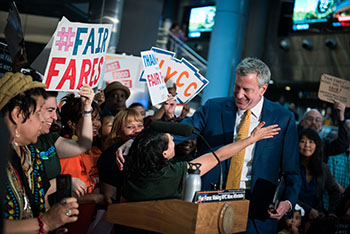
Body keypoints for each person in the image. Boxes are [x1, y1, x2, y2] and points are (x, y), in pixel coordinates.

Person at [173, 57, 302, 233]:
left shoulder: (282, 118)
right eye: (236, 87)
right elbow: (181, 132)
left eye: (247, 90)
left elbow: (292, 171)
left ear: (263, 89)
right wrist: (140, 142)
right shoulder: (213, 107)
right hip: (210, 204)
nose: (239, 95)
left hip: (257, 212)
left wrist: (287, 201)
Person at [0, 72, 79, 233]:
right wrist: (45, 223)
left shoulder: (31, 155)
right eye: (37, 113)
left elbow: (39, 204)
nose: (43, 120)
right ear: (17, 114)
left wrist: (48, 228)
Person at [122, 121, 279, 202]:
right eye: (170, 140)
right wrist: (251, 139)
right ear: (164, 153)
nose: (173, 138)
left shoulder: (129, 173)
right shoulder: (172, 174)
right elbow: (217, 156)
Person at [33, 85, 95, 197]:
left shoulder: (48, 138)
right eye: (50, 110)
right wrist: (66, 181)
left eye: (55, 110)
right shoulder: (17, 146)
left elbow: (84, 145)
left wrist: (86, 108)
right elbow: (29, 188)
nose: (55, 117)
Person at [97, 108, 144, 204]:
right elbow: (109, 197)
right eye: (130, 127)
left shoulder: (148, 149)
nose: (137, 131)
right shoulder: (110, 156)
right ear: (118, 132)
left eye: (140, 126)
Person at [59, 93, 102, 194]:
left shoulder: (96, 150)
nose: (96, 124)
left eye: (98, 119)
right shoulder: (67, 153)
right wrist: (97, 199)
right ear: (72, 124)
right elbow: (67, 195)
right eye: (90, 119)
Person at [297, 128, 340, 226]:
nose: (307, 145)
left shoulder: (323, 168)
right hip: (293, 219)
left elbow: (335, 191)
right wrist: (308, 210)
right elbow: (285, 193)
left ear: (317, 145)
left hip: (317, 219)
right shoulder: (291, 166)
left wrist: (331, 212)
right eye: (303, 141)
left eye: (311, 142)